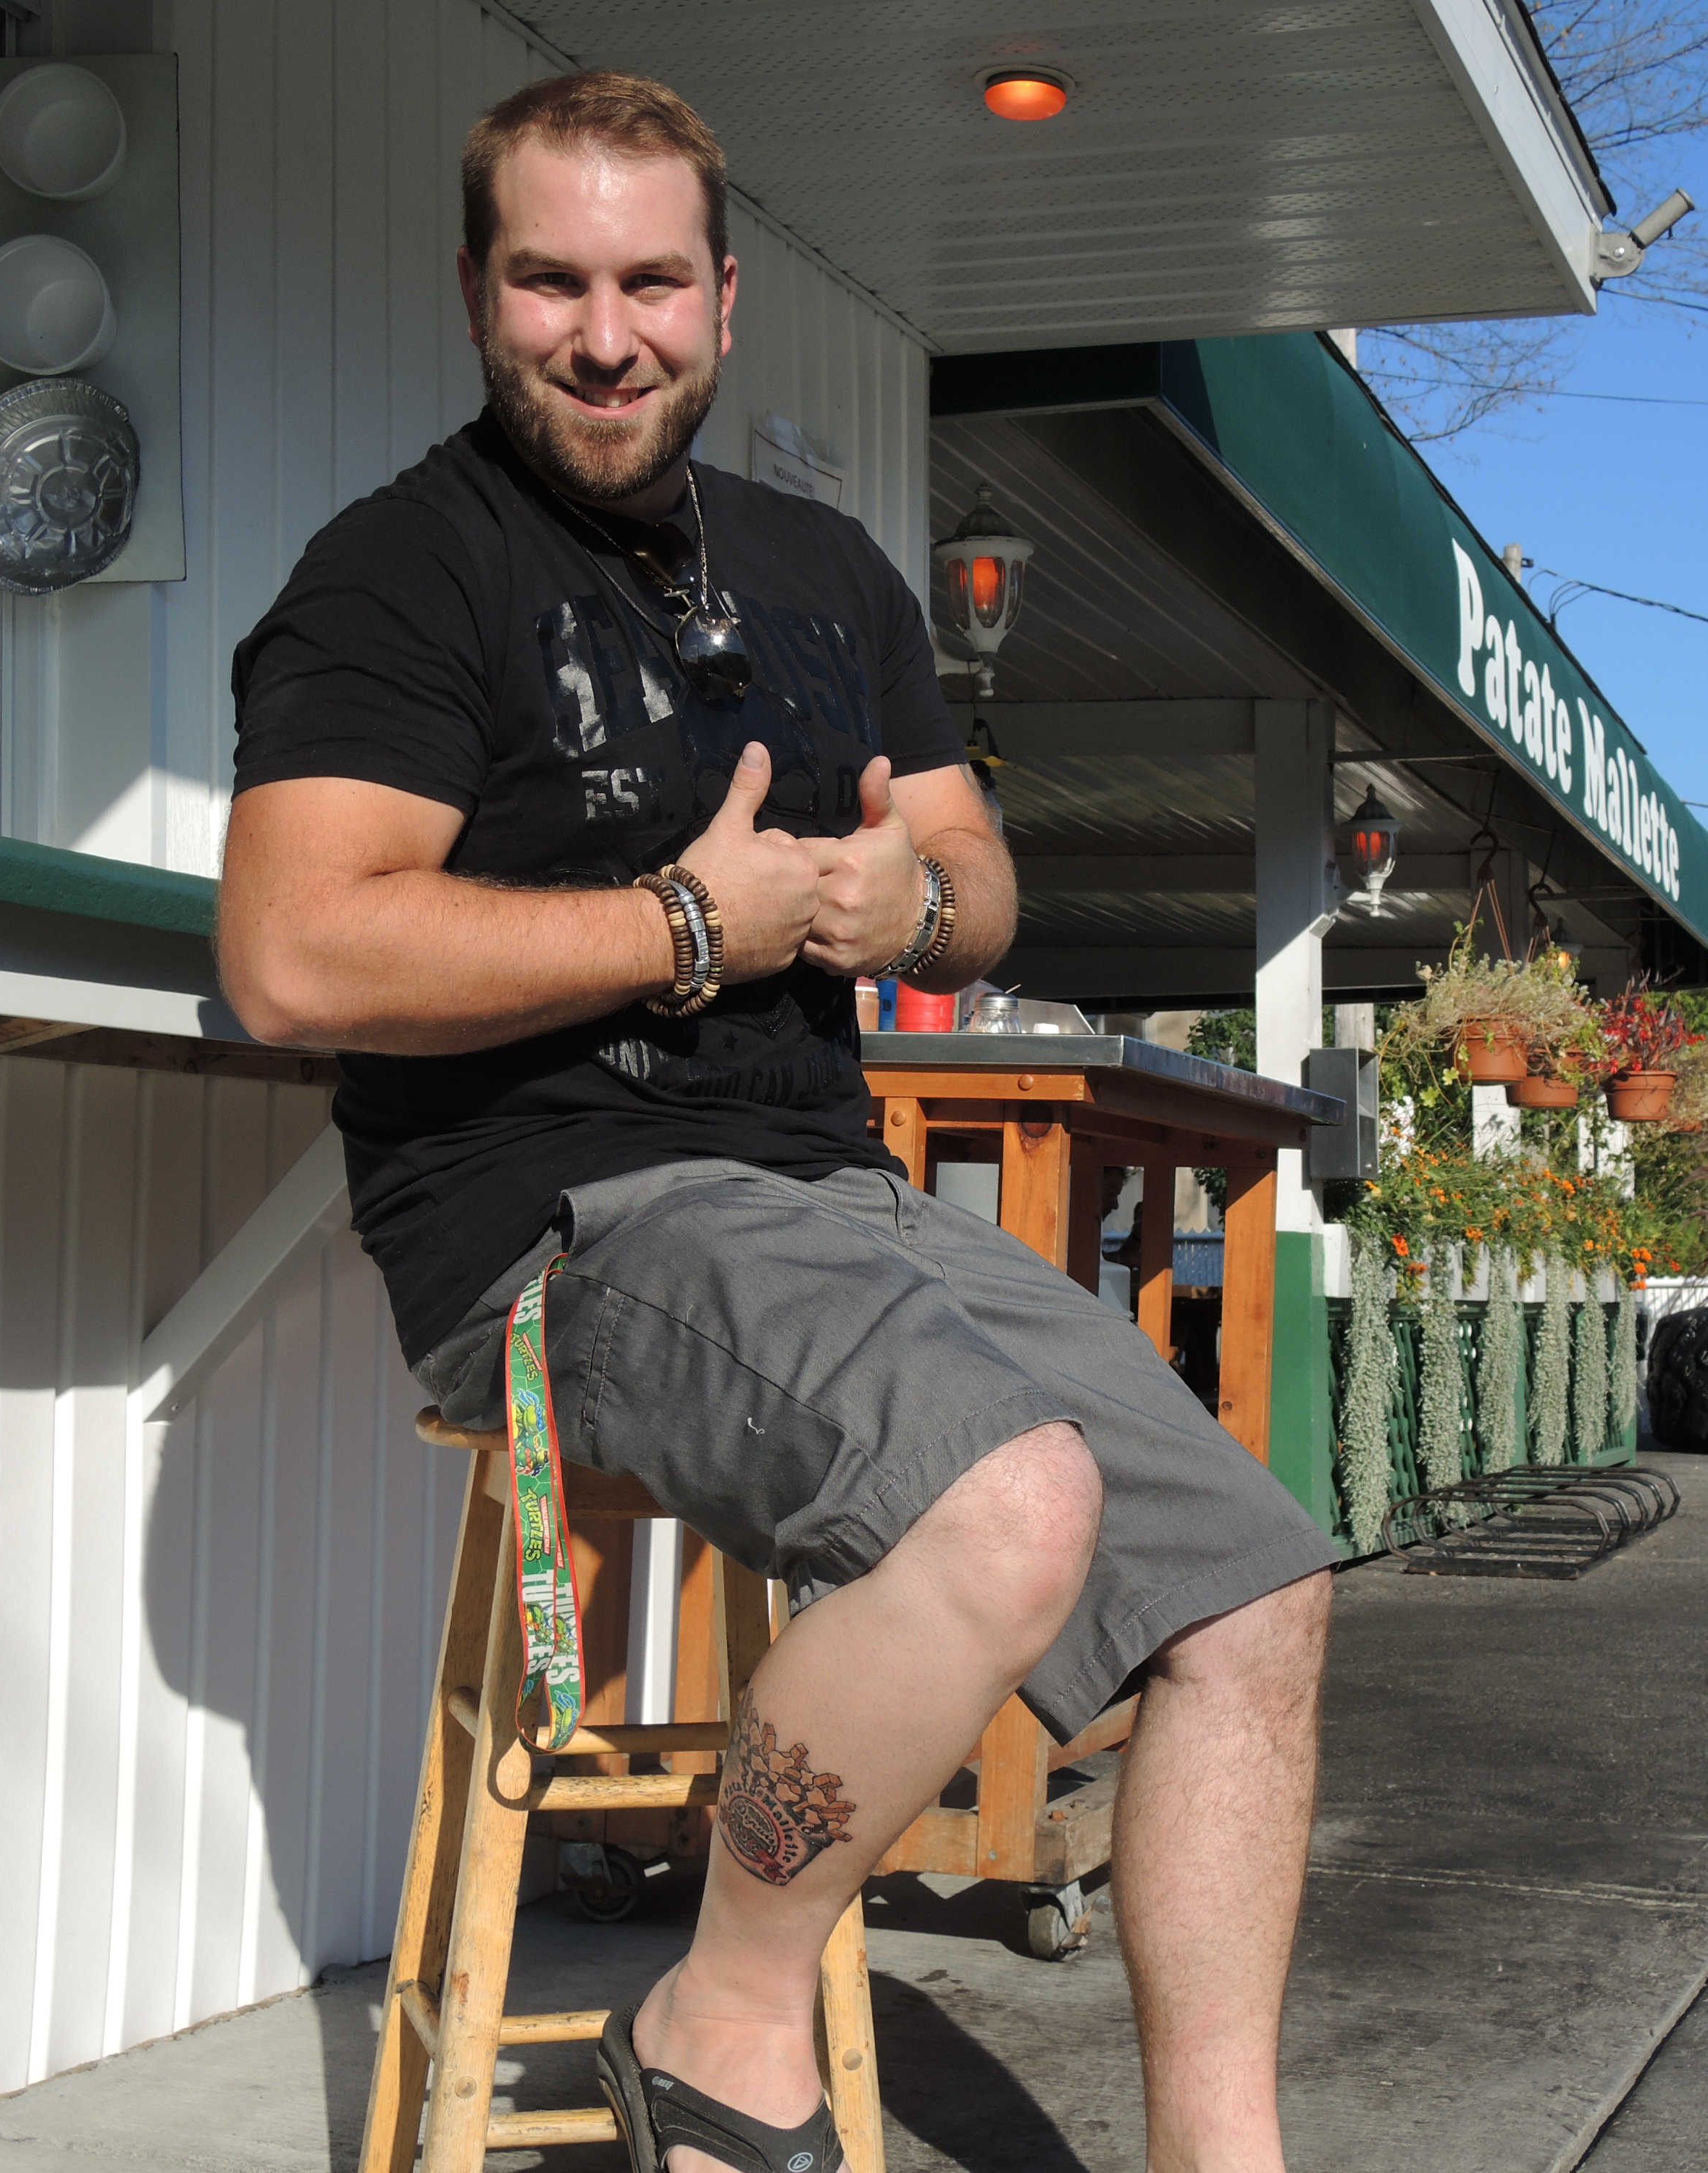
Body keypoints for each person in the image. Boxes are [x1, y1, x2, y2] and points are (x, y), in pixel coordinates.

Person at [216, 70, 1337, 2173]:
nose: (606, 332)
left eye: (651, 280)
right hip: (560, 1217)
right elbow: (293, 954)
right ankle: (717, 2019)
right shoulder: (397, 575)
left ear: (729, 302)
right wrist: (674, 922)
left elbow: (980, 873)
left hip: (832, 1199)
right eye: (552, 280)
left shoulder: (828, 572)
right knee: (1003, 1507)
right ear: (480, 290)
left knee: (1258, 1594)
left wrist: (910, 898)